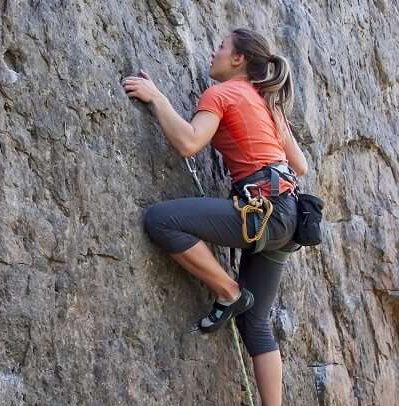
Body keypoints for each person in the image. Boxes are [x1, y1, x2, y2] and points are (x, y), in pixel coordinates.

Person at [121, 28, 308, 406]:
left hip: (262, 213)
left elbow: (190, 142)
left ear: (238, 60)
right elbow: (300, 165)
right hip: (288, 217)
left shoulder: (221, 93)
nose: (213, 52)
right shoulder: (266, 102)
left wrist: (157, 97)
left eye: (220, 47)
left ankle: (229, 291)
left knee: (162, 220)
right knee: (256, 322)